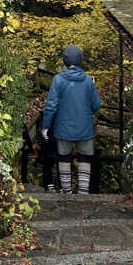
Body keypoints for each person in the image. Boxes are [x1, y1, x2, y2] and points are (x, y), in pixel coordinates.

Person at [41, 45, 100, 195]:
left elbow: (51, 106)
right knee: (84, 158)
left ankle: (66, 191)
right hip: (85, 128)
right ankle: (83, 192)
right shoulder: (88, 81)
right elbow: (96, 105)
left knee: (64, 158)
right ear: (80, 60)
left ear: (65, 61)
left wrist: (45, 127)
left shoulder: (58, 80)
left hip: (63, 127)